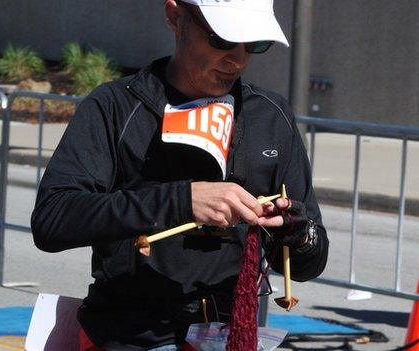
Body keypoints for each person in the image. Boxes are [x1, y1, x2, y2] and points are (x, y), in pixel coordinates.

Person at [31, 0, 329, 349]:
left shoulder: (270, 116)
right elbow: (52, 220)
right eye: (221, 39)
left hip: (233, 333)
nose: (237, 59)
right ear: (175, 17)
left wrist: (294, 231)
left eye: (254, 45)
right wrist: (181, 200)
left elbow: (311, 260)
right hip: (130, 335)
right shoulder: (115, 106)